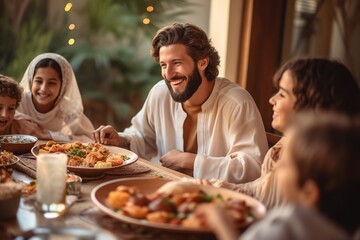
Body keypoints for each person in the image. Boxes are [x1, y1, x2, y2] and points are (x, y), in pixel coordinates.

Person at [93, 23, 268, 183]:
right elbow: (143, 137)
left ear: (203, 63)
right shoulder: (160, 93)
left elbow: (254, 168)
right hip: (166, 193)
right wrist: (121, 141)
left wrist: (191, 161)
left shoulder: (236, 103)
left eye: (176, 63)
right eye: (163, 65)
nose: (168, 74)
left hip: (218, 202)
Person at [201, 58, 360, 209]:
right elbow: (264, 189)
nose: (272, 100)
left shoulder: (313, 163)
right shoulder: (286, 144)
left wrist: (225, 191)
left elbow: (271, 199)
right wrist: (224, 188)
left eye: (282, 94)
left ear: (311, 107)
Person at [195, 111, 360, 240]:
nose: (278, 166)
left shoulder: (286, 226)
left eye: (285, 163)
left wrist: (221, 223)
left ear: (309, 193)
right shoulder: (345, 230)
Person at [14, 53, 94, 142]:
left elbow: (90, 139)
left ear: (63, 86)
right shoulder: (17, 101)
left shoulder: (68, 109)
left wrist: (45, 135)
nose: (43, 88)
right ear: (31, 81)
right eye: (39, 81)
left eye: (52, 83)